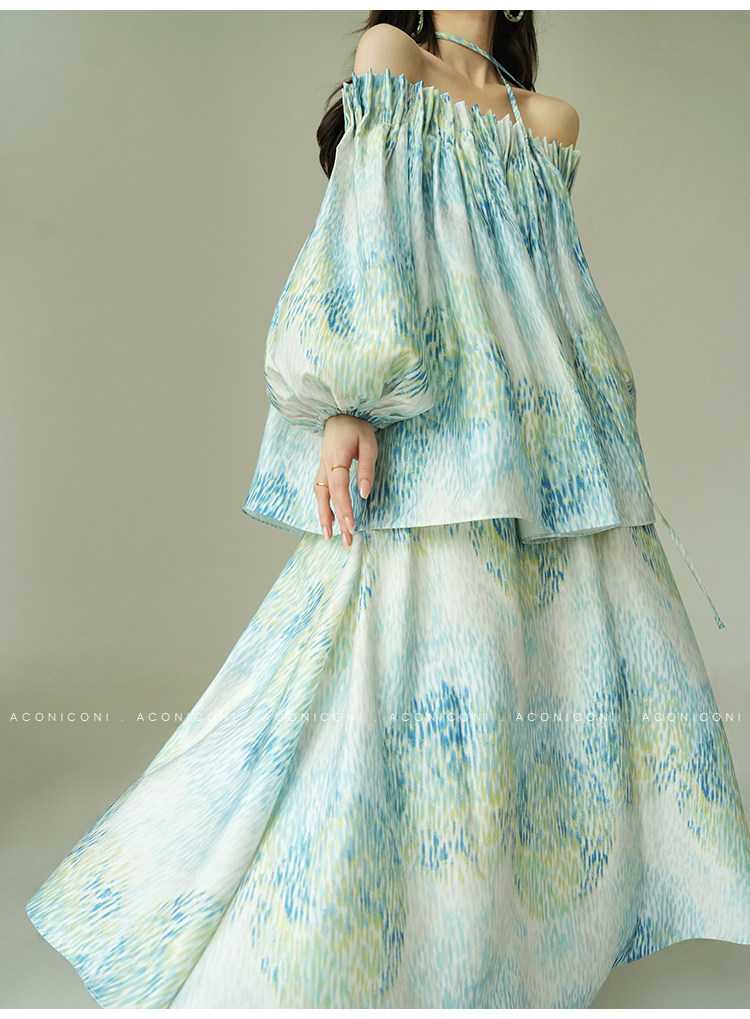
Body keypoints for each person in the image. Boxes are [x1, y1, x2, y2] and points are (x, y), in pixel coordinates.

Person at [24, 10, 750, 1009]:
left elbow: (553, 293)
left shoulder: (549, 120)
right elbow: (366, 235)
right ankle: (362, 953)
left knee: (540, 686)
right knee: (415, 695)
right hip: (443, 440)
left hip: (549, 450)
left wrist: (602, 447)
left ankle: (502, 956)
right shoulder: (391, 61)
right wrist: (348, 400)